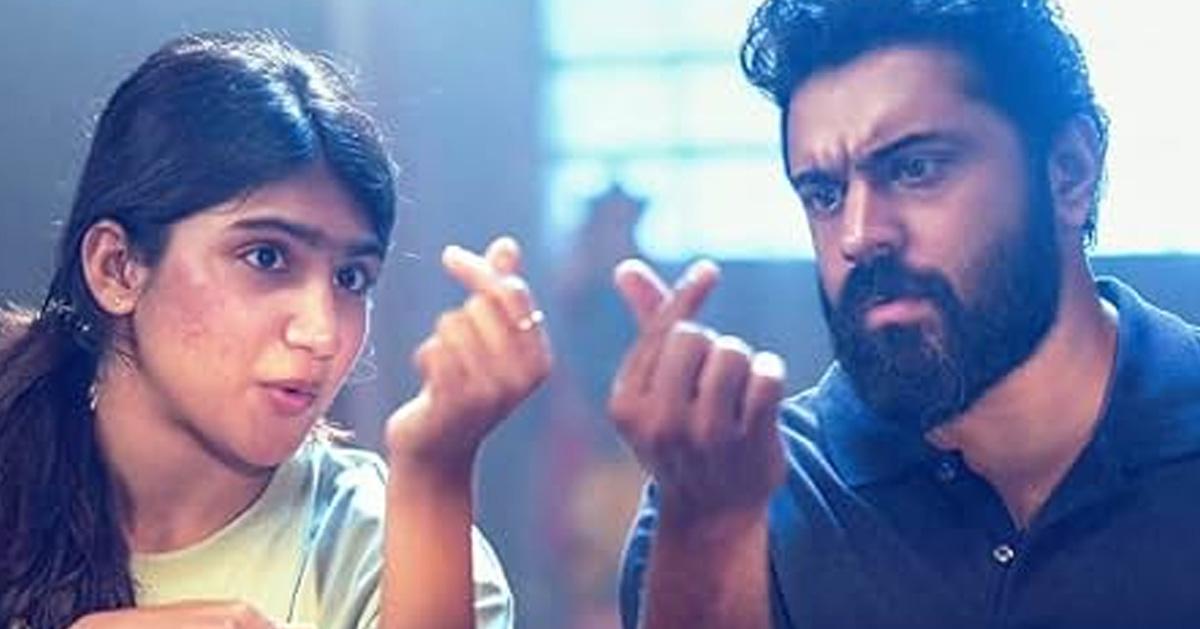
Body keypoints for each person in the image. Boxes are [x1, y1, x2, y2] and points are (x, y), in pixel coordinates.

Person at [611, 1, 1200, 627]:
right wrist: (710, 533)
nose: (858, 235)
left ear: (1069, 172)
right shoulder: (744, 498)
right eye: (825, 194)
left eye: (915, 169)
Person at [0, 31, 552, 628]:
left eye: (351, 278)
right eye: (266, 257)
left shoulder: (398, 553)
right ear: (117, 268)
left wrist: (434, 472)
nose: (322, 333)